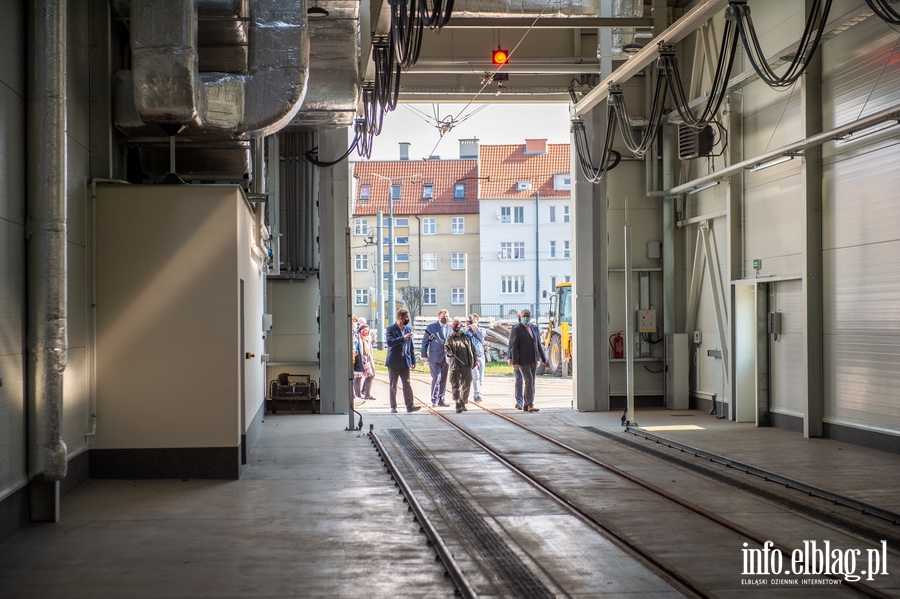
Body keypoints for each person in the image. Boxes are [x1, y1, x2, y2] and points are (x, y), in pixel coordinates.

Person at [507, 309, 546, 412]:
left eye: (528, 316)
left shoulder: (535, 328)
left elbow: (538, 344)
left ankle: (527, 405)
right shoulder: (517, 328)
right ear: (520, 316)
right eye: (524, 316)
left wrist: (543, 358)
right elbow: (513, 346)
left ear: (531, 317)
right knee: (528, 381)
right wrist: (514, 361)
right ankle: (529, 404)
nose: (526, 318)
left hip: (533, 359)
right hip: (522, 360)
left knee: (532, 382)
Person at [385, 309, 422, 413]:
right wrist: (402, 338)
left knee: (407, 384)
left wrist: (413, 360)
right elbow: (390, 342)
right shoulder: (391, 329)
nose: (407, 319)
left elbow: (411, 346)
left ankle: (410, 406)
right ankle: (393, 406)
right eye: (406, 318)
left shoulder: (408, 329)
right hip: (394, 361)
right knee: (394, 385)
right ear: (400, 318)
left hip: (406, 361)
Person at [445, 318, 478, 413]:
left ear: (461, 326)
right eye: (453, 325)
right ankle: (457, 403)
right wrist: (449, 352)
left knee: (467, 384)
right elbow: (446, 348)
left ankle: (463, 401)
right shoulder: (450, 338)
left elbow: (473, 348)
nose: (454, 326)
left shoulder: (466, 336)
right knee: (455, 385)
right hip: (455, 365)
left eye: (457, 325)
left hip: (466, 364)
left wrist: (476, 359)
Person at [421, 309, 451, 407]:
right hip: (434, 357)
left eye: (447, 317)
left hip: (446, 358)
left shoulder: (450, 328)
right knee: (437, 377)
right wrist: (424, 355)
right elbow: (425, 342)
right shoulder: (431, 327)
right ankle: (434, 399)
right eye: (443, 317)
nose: (445, 318)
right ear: (439, 317)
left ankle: (442, 399)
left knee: (443, 379)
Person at [465, 314, 486, 403]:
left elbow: (482, 338)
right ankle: (477, 395)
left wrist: (476, 329)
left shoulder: (481, 330)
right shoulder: (467, 331)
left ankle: (478, 393)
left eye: (474, 321)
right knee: (475, 375)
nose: (473, 323)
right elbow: (464, 339)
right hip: (471, 357)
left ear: (477, 321)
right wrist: (467, 327)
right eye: (471, 322)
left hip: (481, 355)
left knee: (480, 377)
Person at [353, 323, 375, 400]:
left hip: (367, 360)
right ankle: (358, 395)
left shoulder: (368, 338)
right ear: (360, 330)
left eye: (367, 331)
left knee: (371, 375)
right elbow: (355, 346)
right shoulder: (357, 337)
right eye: (364, 330)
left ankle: (367, 394)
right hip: (359, 359)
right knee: (358, 377)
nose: (365, 332)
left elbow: (370, 349)